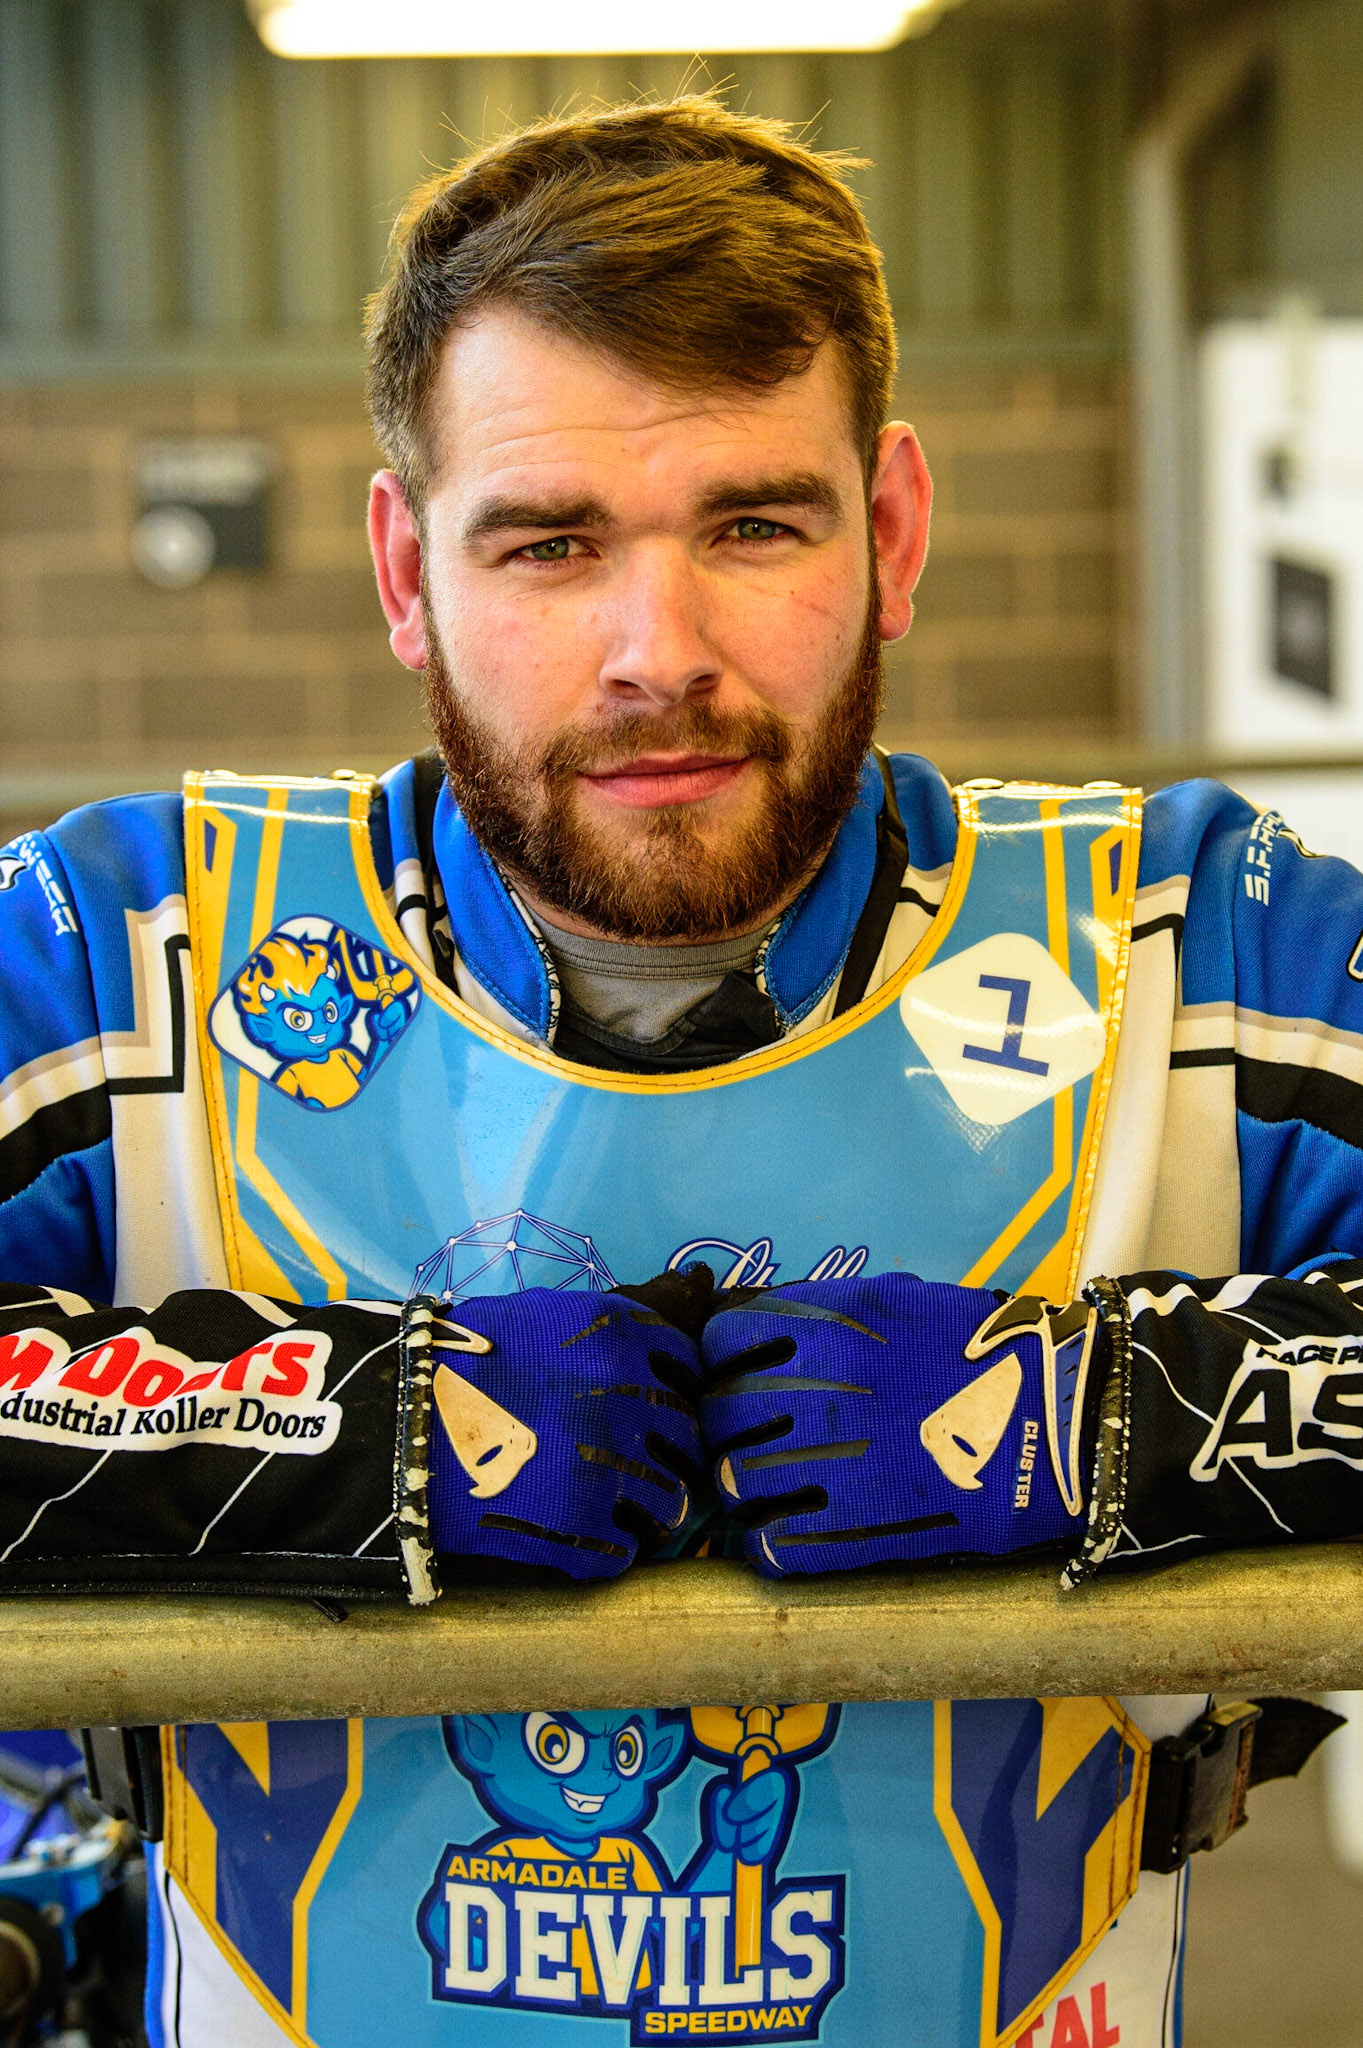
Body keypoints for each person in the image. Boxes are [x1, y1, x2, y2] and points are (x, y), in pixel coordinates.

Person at [0, 92, 1359, 2048]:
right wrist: (340, 1436)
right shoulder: (130, 949)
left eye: (752, 523)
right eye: (547, 542)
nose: (657, 646)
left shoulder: (1195, 946)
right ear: (406, 573)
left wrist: (1094, 1417)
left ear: (888, 530)